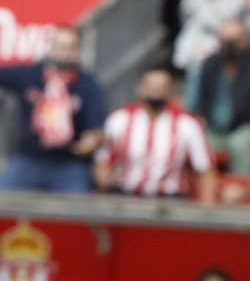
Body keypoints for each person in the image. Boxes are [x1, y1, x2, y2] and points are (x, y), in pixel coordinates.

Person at [0, 26, 106, 193]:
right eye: (61, 47)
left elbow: (96, 127)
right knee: (4, 197)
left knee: (79, 207)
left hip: (69, 162)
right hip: (30, 158)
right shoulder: (29, 75)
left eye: (71, 47)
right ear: (50, 48)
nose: (66, 53)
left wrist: (92, 140)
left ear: (78, 50)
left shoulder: (87, 84)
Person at [97, 67, 214, 201]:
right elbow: (102, 161)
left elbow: (204, 168)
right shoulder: (119, 119)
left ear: (171, 91)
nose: (156, 90)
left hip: (170, 197)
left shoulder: (187, 124)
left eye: (162, 86)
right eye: (151, 85)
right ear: (139, 88)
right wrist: (102, 180)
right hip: (125, 194)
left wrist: (207, 208)